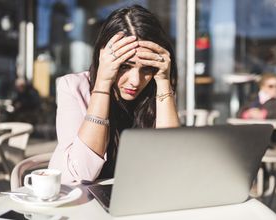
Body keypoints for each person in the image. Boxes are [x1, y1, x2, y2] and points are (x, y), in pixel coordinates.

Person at [49, 5, 180, 184]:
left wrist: (164, 83)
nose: (135, 80)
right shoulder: (72, 87)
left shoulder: (157, 90)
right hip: (81, 202)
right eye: (125, 66)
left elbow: (172, 164)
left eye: (147, 68)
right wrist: (103, 83)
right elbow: (81, 173)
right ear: (103, 58)